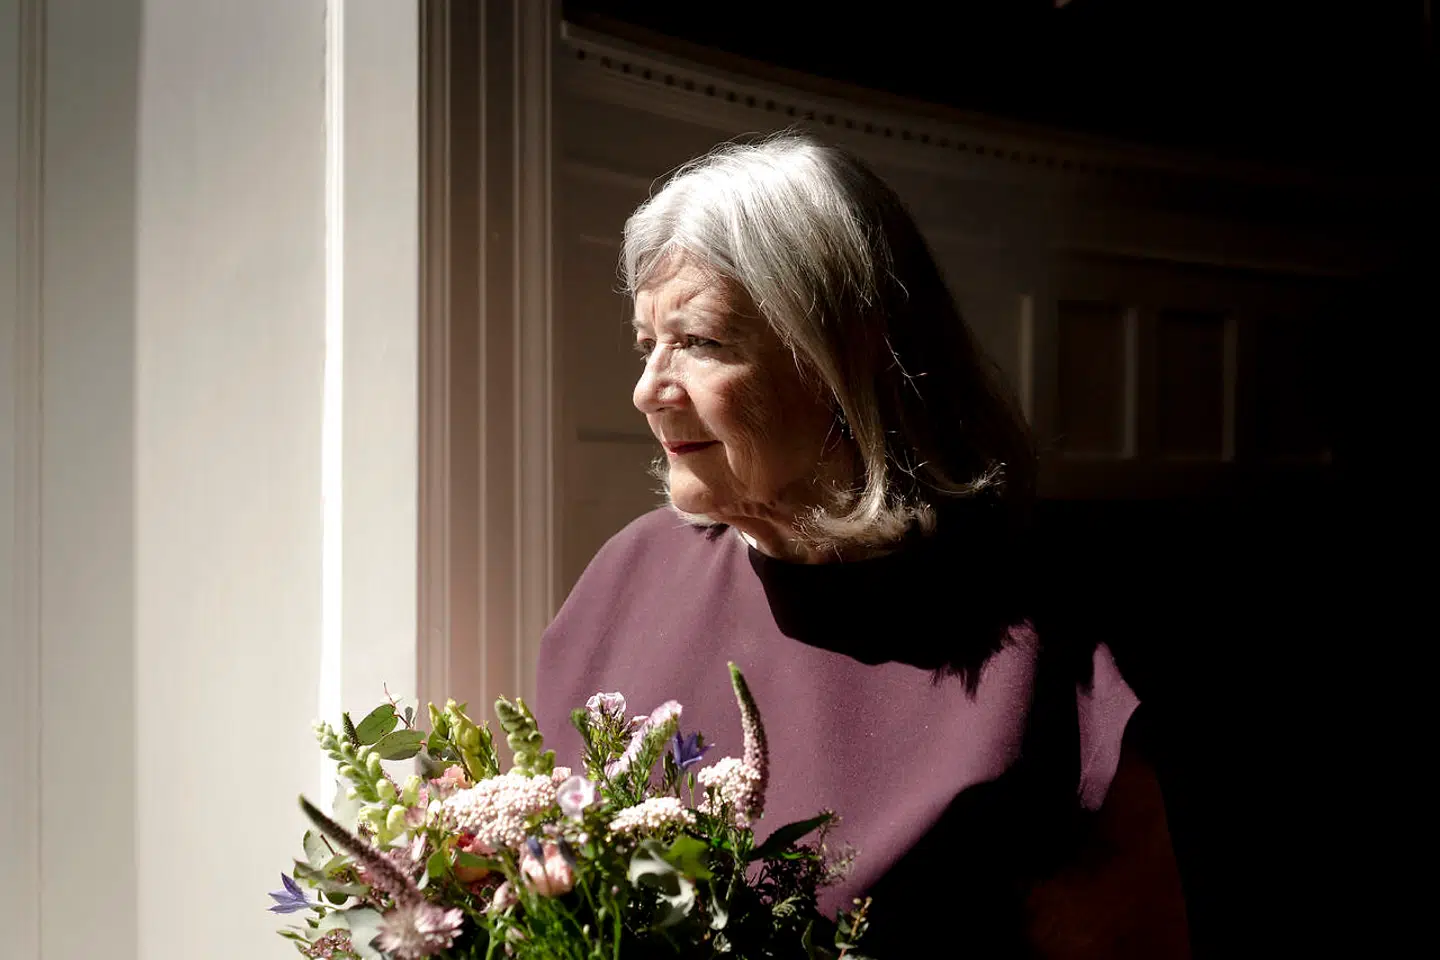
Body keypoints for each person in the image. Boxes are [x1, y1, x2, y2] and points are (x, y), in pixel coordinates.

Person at [533, 131, 1190, 958]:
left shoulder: (1031, 647)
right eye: (646, 344)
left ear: (846, 352)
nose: (646, 391)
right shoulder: (626, 579)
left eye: (699, 342)